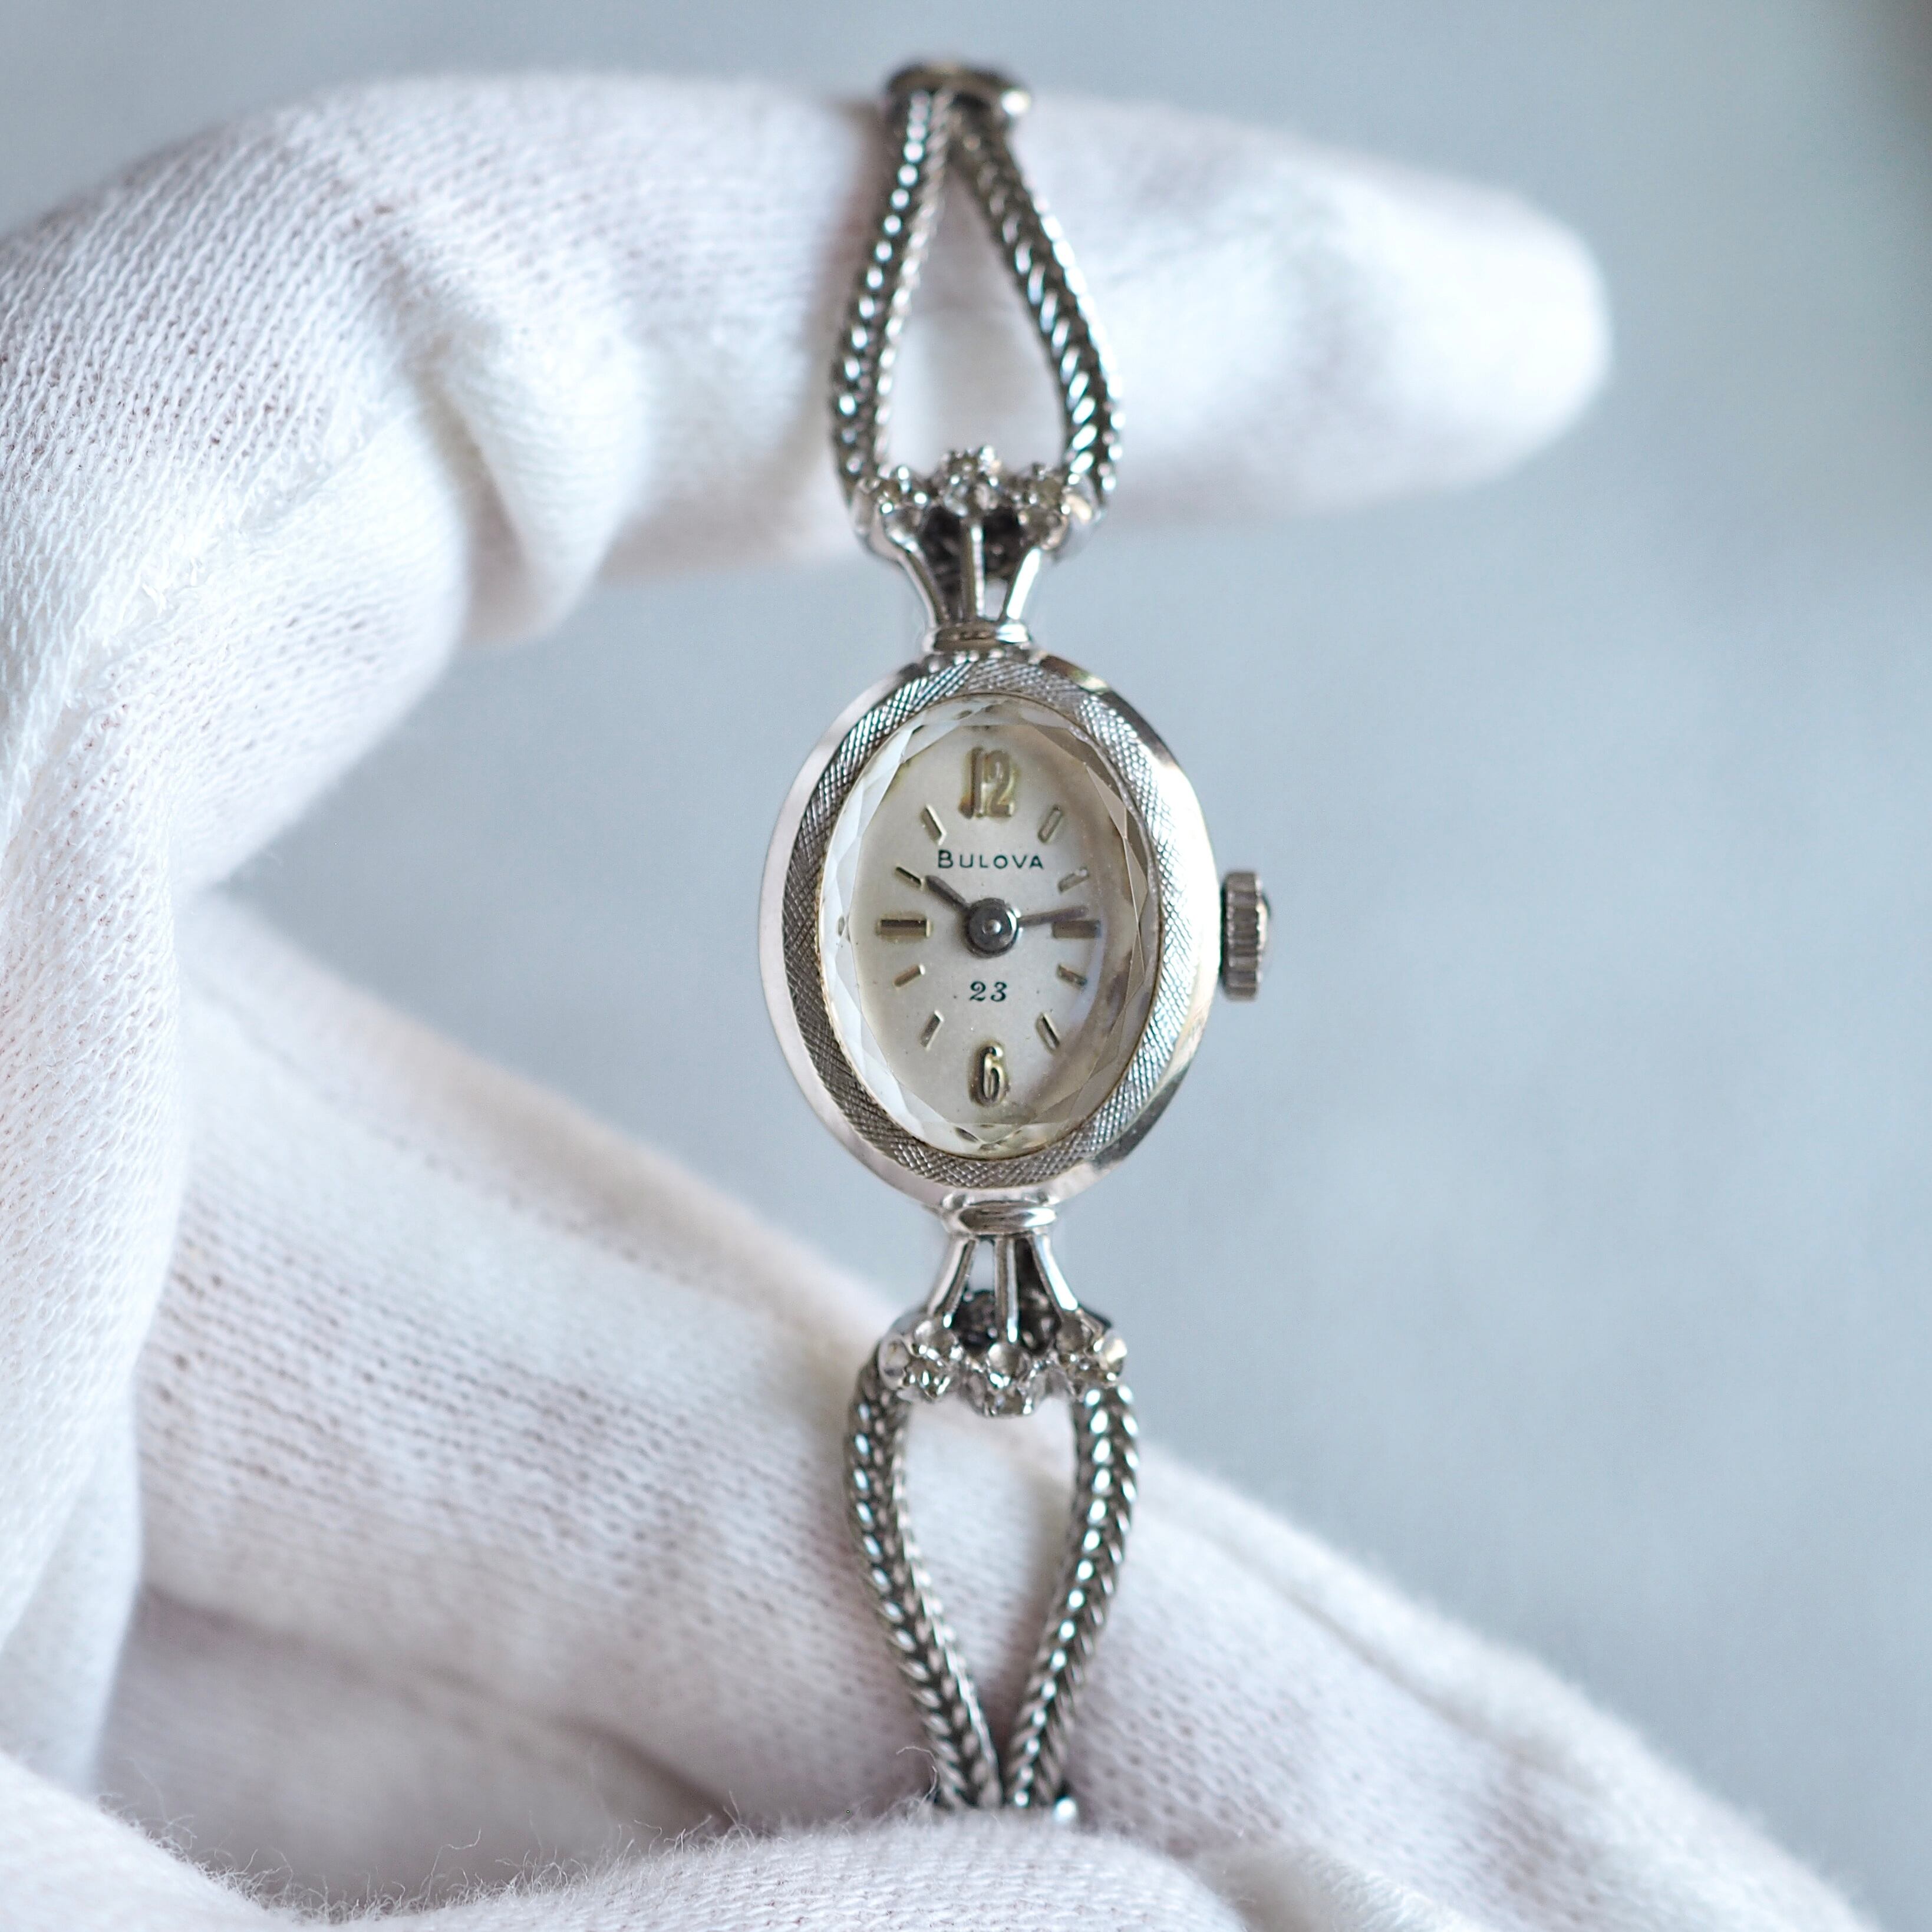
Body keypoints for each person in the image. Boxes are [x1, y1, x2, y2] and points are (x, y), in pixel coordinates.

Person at [0, 71, 1865, 1930]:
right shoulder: (962, 825)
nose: (987, 925)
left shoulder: (1026, 850)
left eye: (1021, 920)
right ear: (1216, 935)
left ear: (1207, 937)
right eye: (969, 916)